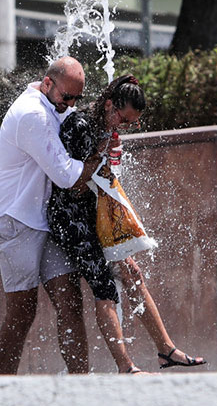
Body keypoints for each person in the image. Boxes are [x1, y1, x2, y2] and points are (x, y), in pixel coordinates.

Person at [48, 74, 205, 373]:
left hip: (93, 215)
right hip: (71, 220)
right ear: (109, 105)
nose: (124, 127)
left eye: (131, 124)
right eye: (124, 119)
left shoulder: (104, 127)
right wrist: (101, 155)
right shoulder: (80, 126)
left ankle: (167, 350)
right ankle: (126, 367)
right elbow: (73, 185)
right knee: (105, 287)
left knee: (133, 273)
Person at [0, 56, 102, 375]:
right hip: (14, 222)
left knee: (70, 301)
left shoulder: (54, 105)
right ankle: (4, 387)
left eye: (76, 98)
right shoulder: (32, 114)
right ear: (47, 83)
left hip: (45, 222)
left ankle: (81, 384)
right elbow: (66, 175)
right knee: (23, 312)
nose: (71, 104)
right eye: (67, 97)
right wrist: (100, 162)